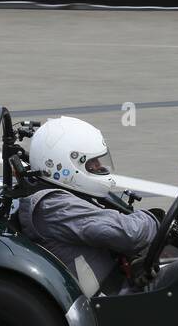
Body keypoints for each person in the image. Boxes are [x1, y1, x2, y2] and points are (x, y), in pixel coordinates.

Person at [15, 116, 161, 295]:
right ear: (64, 165)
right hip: (109, 298)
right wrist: (154, 219)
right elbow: (128, 233)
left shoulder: (61, 197)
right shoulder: (55, 207)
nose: (99, 167)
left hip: (117, 283)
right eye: (92, 163)